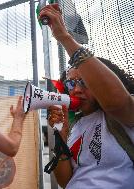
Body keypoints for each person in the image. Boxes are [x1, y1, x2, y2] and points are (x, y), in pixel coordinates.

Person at [39, 3, 134, 189]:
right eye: (71, 83)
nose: (75, 90)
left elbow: (115, 102)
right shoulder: (76, 126)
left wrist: (64, 38)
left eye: (84, 82)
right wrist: (61, 134)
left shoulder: (122, 114)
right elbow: (66, 181)